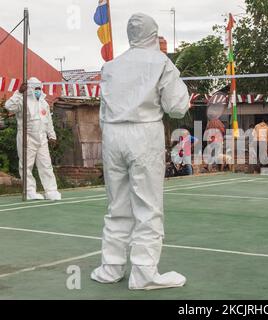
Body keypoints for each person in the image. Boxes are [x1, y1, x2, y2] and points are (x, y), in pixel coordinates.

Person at [91, 13, 190, 290]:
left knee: (117, 205)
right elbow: (176, 107)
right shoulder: (160, 62)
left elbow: (103, 109)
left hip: (112, 134)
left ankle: (110, 267)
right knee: (147, 205)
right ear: (153, 33)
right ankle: (144, 273)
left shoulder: (110, 66)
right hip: (143, 133)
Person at [4, 77, 61, 201]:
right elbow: (8, 106)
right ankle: (29, 191)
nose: (38, 91)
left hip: (42, 138)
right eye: (35, 88)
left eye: (39, 88)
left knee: (46, 165)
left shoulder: (43, 103)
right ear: (29, 89)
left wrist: (52, 136)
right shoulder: (22, 100)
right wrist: (19, 92)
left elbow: (48, 121)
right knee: (26, 165)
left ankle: (51, 191)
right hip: (27, 137)